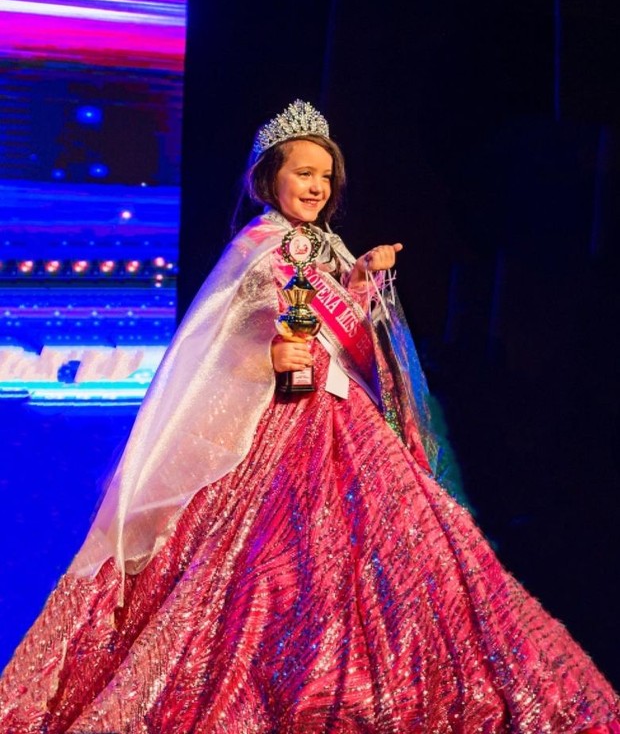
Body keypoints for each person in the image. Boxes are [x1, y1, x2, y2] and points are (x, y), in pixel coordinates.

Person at [0, 100, 618, 733]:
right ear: (270, 178)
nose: (317, 187)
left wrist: (362, 281)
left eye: (326, 177)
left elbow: (343, 333)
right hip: (278, 426)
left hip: (346, 416)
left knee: (406, 548)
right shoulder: (258, 245)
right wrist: (269, 351)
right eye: (303, 174)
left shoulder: (327, 247)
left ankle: (371, 688)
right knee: (272, 573)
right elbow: (220, 342)